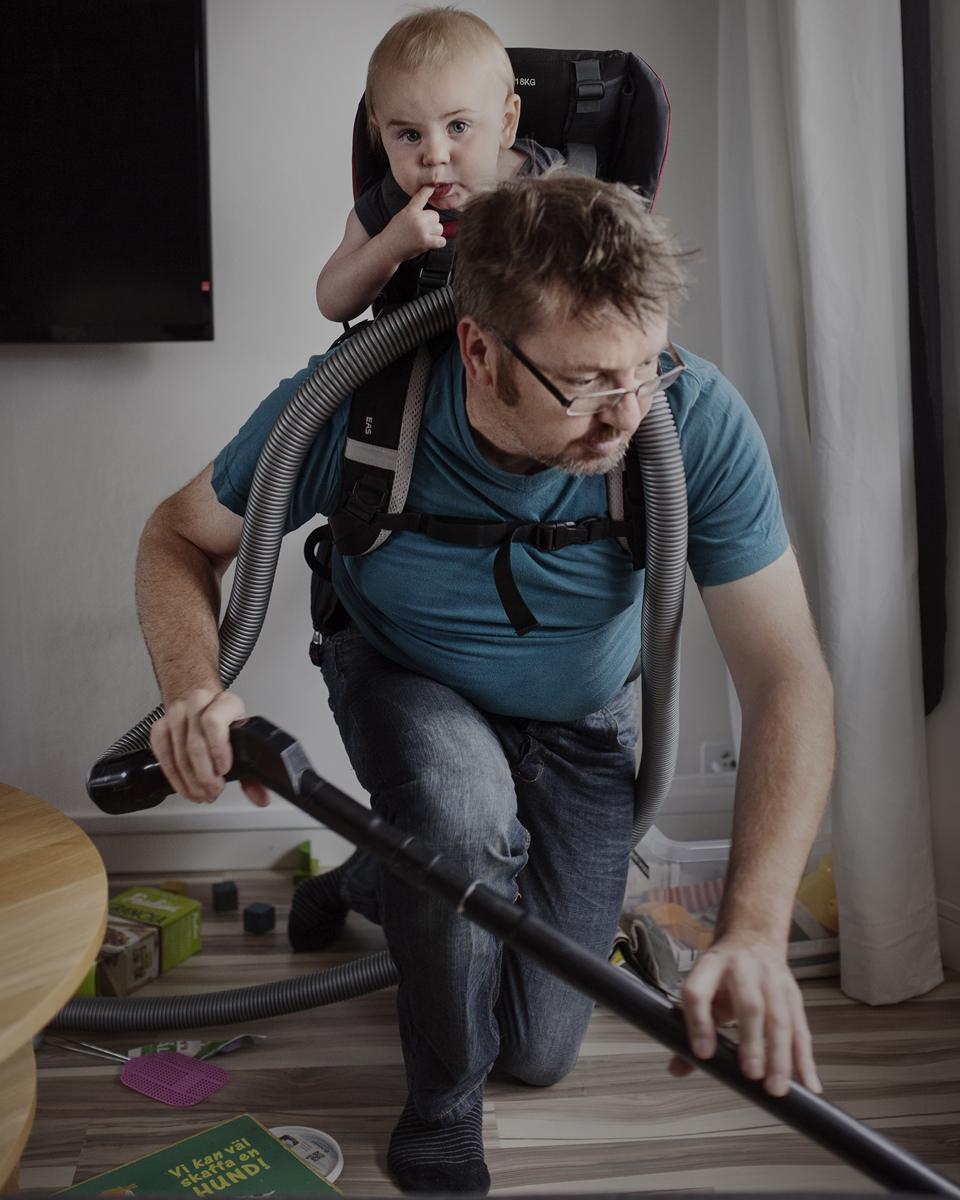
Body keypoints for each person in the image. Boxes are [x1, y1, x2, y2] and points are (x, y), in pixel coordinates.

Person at [136, 173, 835, 1196]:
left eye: (643, 370)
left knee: (540, 1049)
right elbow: (176, 537)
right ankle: (440, 1108)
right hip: (408, 679)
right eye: (589, 383)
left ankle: (376, 876)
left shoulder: (687, 421)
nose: (627, 415)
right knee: (463, 819)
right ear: (479, 351)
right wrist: (193, 687)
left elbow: (788, 676)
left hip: (579, 717)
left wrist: (756, 930)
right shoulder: (356, 401)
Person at [316, 7, 562, 323]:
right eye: (410, 134)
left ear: (505, 123)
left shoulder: (547, 182)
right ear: (381, 134)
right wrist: (388, 248)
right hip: (415, 355)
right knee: (310, 375)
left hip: (512, 353)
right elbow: (331, 302)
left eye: (458, 126)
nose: (434, 155)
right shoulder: (391, 205)